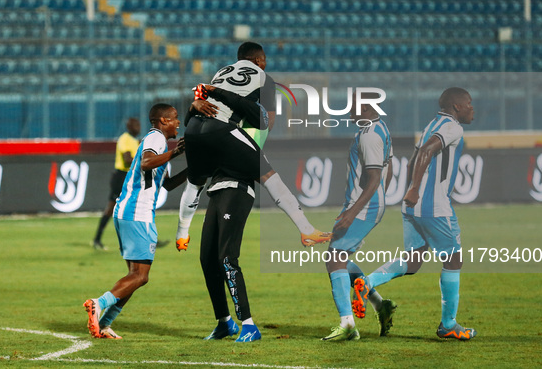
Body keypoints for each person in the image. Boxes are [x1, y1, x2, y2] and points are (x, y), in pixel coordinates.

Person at [175, 41, 330, 252]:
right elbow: (268, 121)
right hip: (221, 129)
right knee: (268, 175)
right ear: (258, 60)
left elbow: (199, 100)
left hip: (193, 129)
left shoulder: (220, 72)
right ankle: (307, 230)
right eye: (264, 59)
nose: (265, 64)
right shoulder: (264, 77)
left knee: (194, 183)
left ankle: (182, 235)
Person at [355, 87, 477, 340]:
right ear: (456, 107)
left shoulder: (432, 123)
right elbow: (425, 152)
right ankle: (448, 324)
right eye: (469, 104)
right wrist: (414, 188)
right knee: (453, 260)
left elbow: (412, 159)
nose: (471, 108)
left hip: (414, 205)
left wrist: (411, 193)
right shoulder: (452, 126)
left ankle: (367, 283)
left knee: (413, 262)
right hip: (433, 206)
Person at [83, 103, 186, 339]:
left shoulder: (158, 143)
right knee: (140, 276)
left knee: (135, 276)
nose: (178, 122)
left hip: (130, 212)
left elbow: (167, 184)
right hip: (137, 212)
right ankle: (98, 304)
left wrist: (195, 171)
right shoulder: (156, 138)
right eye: (174, 118)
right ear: (162, 121)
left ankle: (105, 323)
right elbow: (145, 163)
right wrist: (176, 152)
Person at [321, 96, 396, 341]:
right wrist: (380, 198)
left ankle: (348, 324)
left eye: (351, 106)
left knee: (335, 259)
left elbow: (374, 178)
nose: (347, 111)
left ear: (366, 107)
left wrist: (352, 212)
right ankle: (379, 304)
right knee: (337, 258)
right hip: (370, 205)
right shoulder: (380, 128)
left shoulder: (369, 135)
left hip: (363, 207)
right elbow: (389, 168)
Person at [200, 170, 261, 342]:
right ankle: (225, 322)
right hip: (216, 189)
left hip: (237, 187)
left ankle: (249, 325)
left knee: (227, 258)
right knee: (207, 259)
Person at [92, 118, 140, 251]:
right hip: (121, 177)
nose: (138, 127)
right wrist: (144, 161)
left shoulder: (135, 141)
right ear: (129, 126)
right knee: (111, 208)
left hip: (130, 177)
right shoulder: (125, 139)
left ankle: (142, 239)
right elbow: (126, 160)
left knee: (136, 208)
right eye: (135, 125)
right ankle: (97, 239)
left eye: (139, 124)